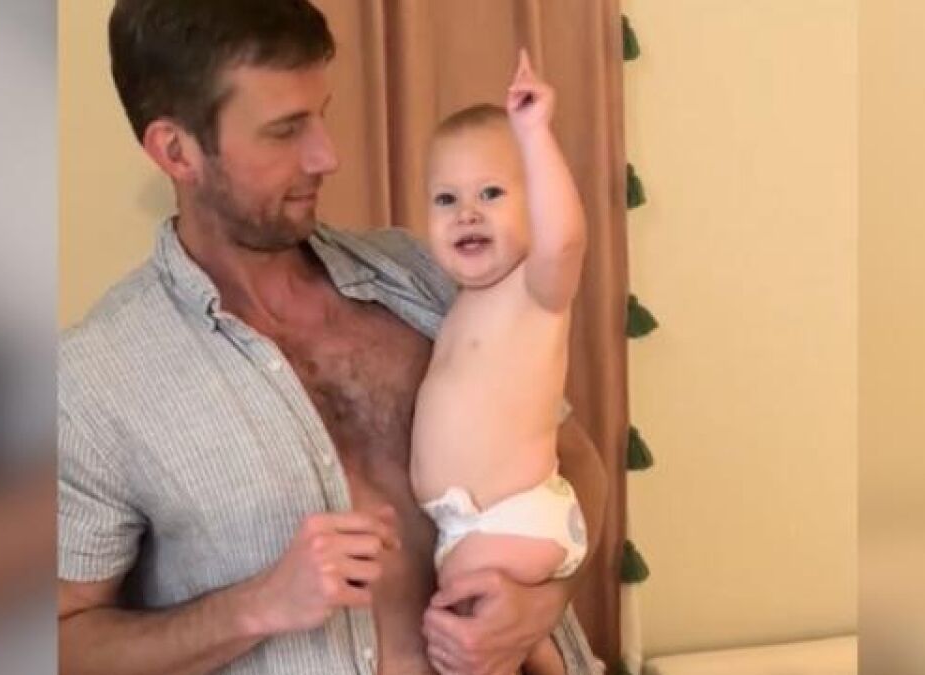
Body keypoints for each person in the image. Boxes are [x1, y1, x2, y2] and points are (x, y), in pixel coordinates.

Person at [57, 1, 608, 674]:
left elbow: (575, 461)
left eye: (321, 114)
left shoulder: (423, 275)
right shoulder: (96, 380)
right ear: (176, 151)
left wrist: (545, 601)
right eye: (286, 130)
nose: (328, 155)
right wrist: (256, 606)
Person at [411, 51, 588, 675]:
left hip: (510, 515)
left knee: (466, 638)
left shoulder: (533, 290)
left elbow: (564, 240)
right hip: (476, 524)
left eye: (491, 193)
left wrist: (534, 134)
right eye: (446, 199)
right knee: (508, 641)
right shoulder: (463, 302)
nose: (467, 212)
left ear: (532, 208)